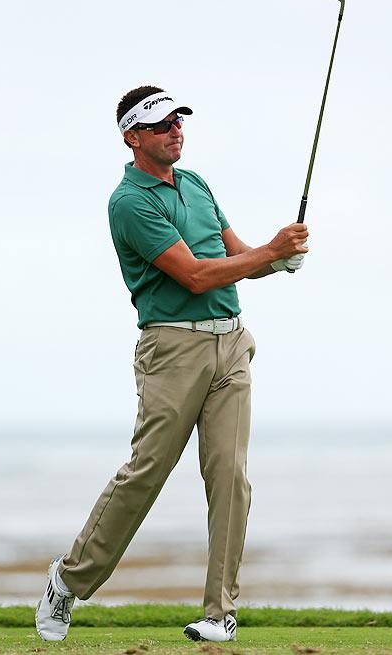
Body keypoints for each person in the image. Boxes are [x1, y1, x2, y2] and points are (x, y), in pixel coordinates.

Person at [35, 85, 309, 643]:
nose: (175, 130)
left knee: (229, 476)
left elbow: (236, 259)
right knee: (147, 473)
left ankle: (219, 613)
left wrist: (278, 260)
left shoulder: (197, 184)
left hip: (231, 344)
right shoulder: (129, 202)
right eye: (161, 125)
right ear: (133, 137)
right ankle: (68, 579)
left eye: (178, 121)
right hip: (172, 351)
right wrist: (271, 251)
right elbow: (195, 275)